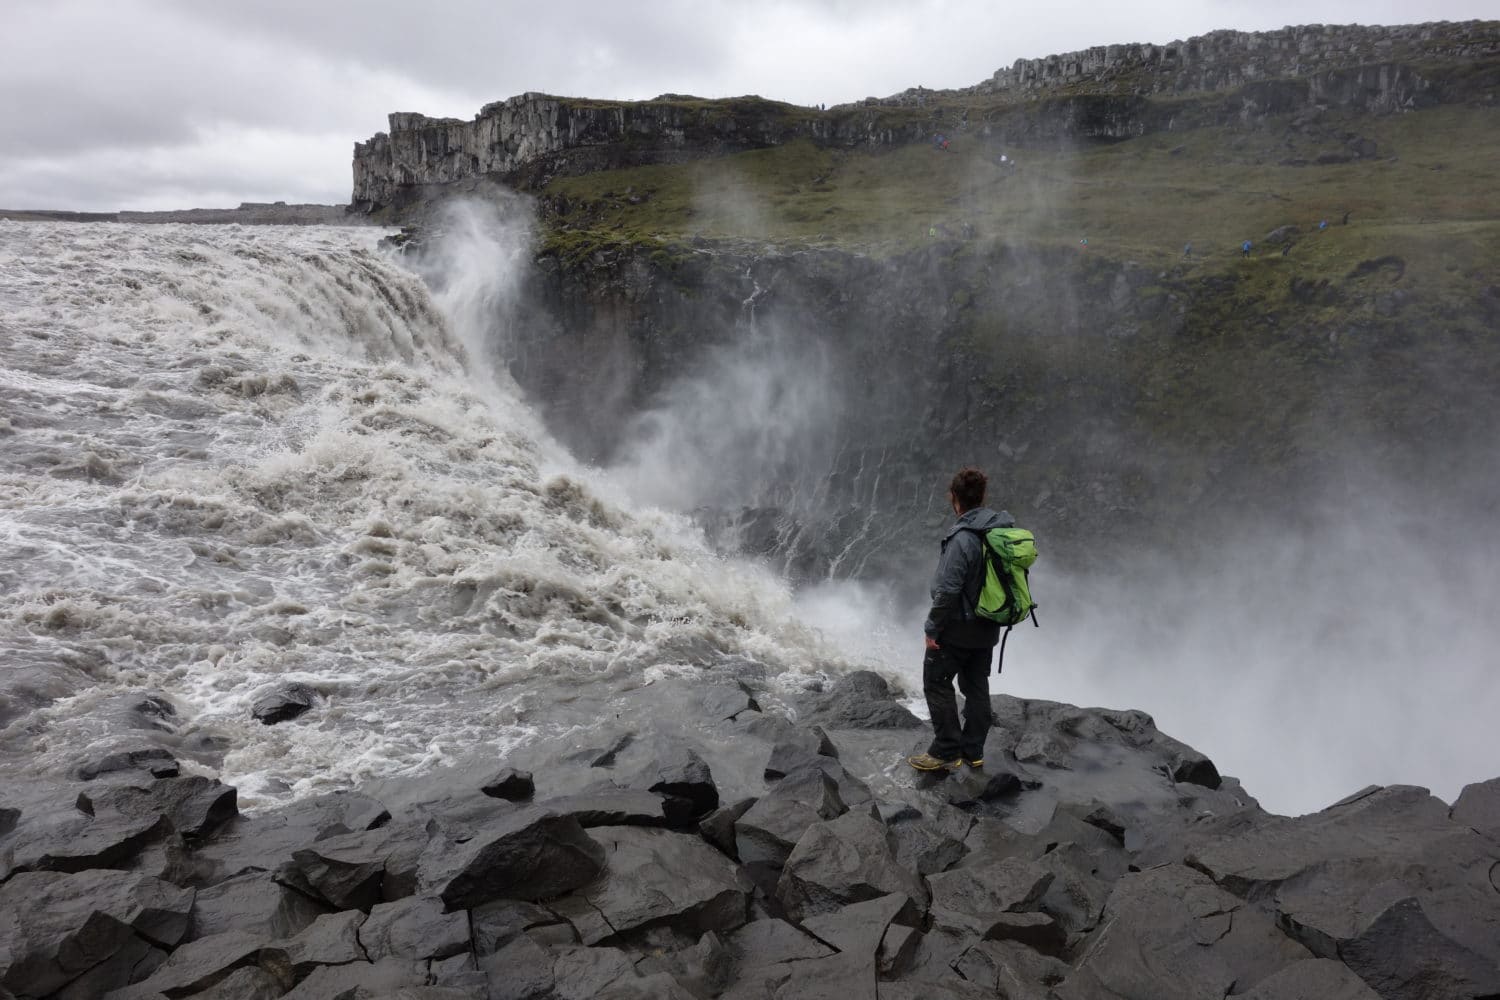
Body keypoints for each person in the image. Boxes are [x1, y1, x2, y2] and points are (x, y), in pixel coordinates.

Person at [909, 467, 1014, 772]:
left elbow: (948, 590)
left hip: (958, 628)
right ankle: (973, 752)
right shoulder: (998, 531)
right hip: (988, 626)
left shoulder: (963, 539)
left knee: (936, 682)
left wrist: (931, 628)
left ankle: (945, 751)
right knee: (976, 685)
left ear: (954, 499)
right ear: (982, 496)